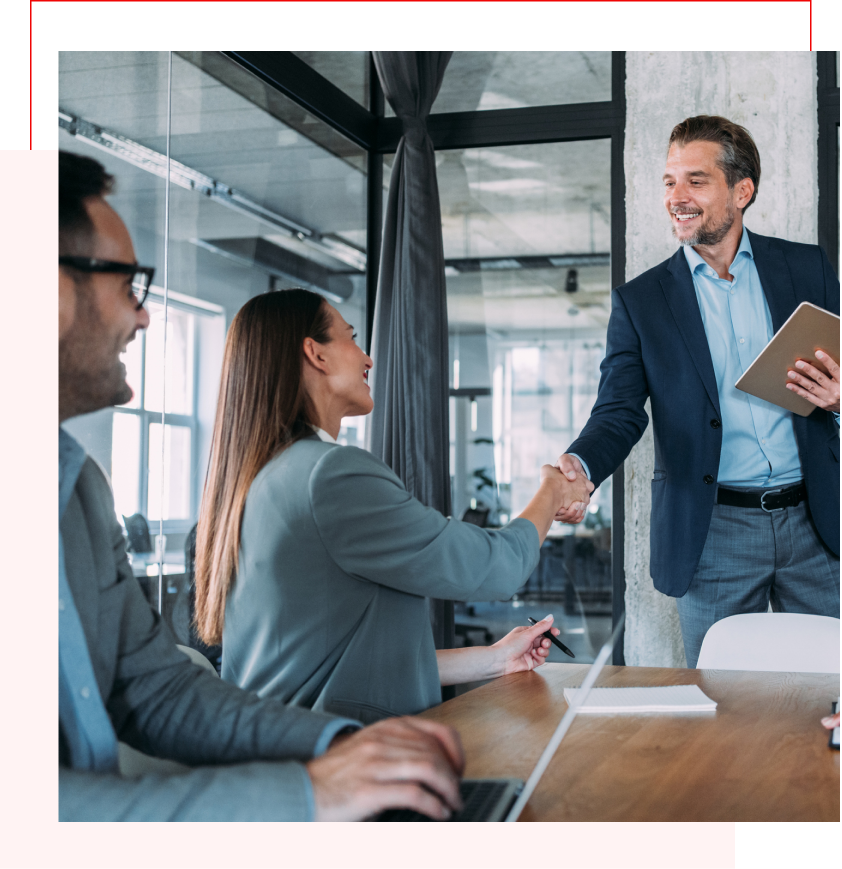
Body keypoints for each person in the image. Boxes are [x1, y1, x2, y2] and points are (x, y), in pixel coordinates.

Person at [58, 150, 468, 822]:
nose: (144, 317)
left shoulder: (79, 491)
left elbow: (156, 690)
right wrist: (310, 791)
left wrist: (342, 743)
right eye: (130, 285)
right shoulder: (325, 470)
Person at [194, 291, 592, 723]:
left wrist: (494, 659)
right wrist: (552, 492)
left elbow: (336, 665)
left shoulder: (266, 476)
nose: (366, 358)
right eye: (350, 338)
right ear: (316, 354)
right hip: (338, 760)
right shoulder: (330, 474)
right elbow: (495, 567)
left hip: (288, 752)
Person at [553, 115, 840, 667]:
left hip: (817, 520)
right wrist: (582, 465)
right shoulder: (641, 302)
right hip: (715, 530)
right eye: (668, 181)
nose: (676, 198)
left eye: (695, 180)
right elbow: (618, 412)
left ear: (742, 190)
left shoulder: (806, 267)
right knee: (723, 710)